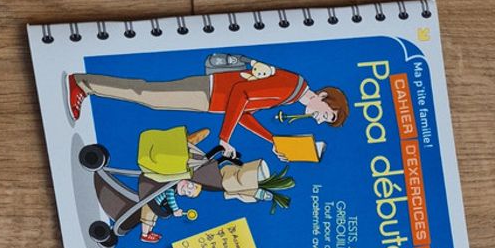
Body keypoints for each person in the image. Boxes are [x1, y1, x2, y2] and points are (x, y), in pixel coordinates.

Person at [65, 65, 349, 160]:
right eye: (327, 114)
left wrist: (272, 140)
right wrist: (224, 138)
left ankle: (87, 85)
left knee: (149, 96)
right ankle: (83, 84)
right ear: (324, 97)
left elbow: (245, 111)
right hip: (211, 91)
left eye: (326, 121)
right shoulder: (292, 86)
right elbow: (241, 94)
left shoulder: (291, 96)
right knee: (147, 94)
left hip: (212, 99)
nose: (320, 120)